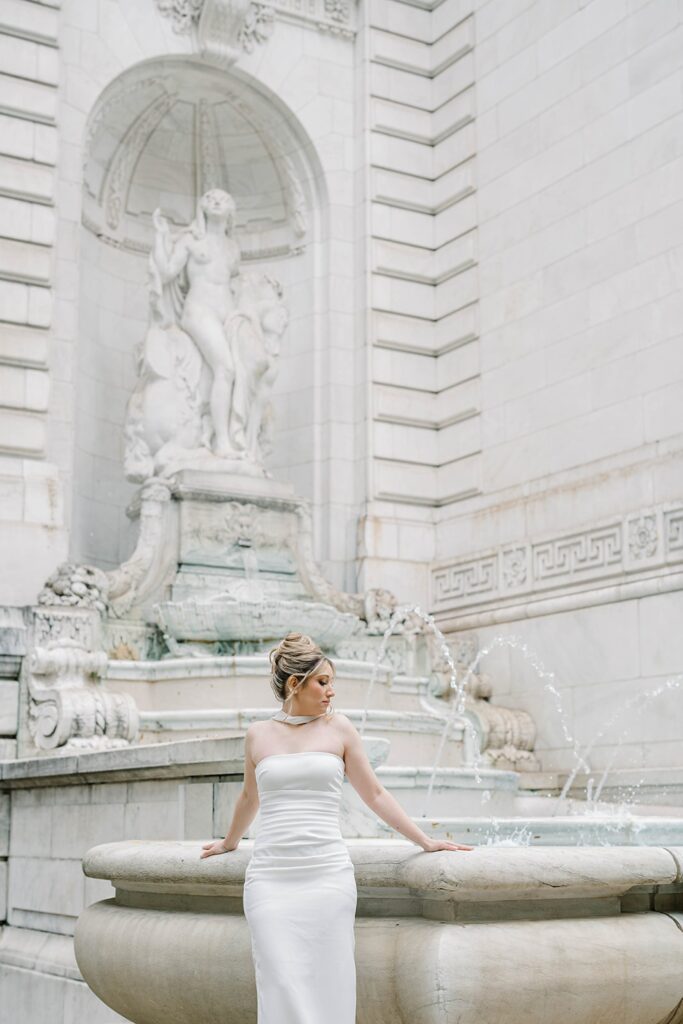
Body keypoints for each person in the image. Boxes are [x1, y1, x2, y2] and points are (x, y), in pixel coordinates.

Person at [200, 633, 473, 1022]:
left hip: (326, 876)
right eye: (322, 682)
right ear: (295, 684)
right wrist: (229, 842)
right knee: (279, 980)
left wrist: (425, 840)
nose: (331, 691)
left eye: (331, 682)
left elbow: (375, 794)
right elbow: (249, 798)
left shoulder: (340, 729)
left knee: (330, 983)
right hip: (271, 877)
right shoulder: (258, 734)